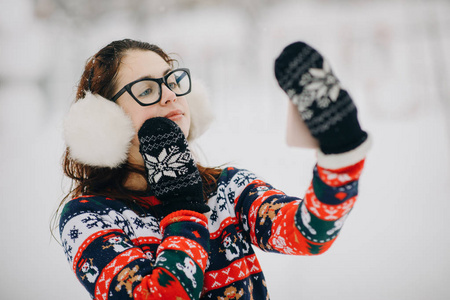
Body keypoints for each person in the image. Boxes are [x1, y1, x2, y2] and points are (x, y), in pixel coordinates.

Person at [56, 38, 370, 300]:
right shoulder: (86, 217)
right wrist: (183, 209)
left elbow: (308, 233)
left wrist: (340, 153)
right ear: (103, 119)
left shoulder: (227, 188)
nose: (170, 95)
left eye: (171, 81)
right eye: (147, 90)